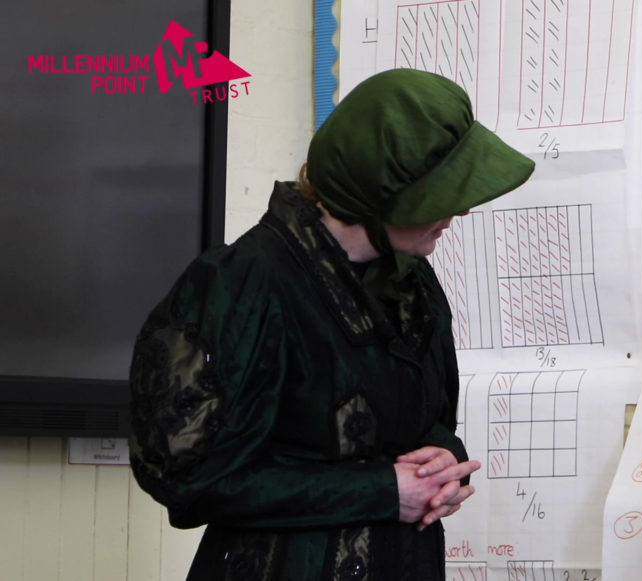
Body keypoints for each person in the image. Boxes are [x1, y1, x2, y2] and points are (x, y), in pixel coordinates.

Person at [128, 69, 535, 580]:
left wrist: (441, 463)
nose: (462, 211)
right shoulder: (246, 285)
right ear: (379, 194)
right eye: (440, 193)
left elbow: (419, 423)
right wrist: (383, 491)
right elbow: (190, 482)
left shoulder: (411, 285)